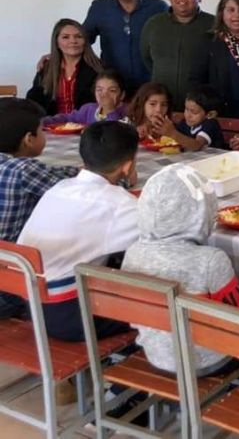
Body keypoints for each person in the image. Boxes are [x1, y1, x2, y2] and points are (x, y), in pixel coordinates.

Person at [122, 164, 239, 375]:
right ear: (205, 211)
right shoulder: (211, 260)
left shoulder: (132, 253)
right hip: (210, 361)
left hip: (156, 356)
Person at [17, 121, 139, 341]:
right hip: (70, 315)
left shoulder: (60, 187)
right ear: (128, 166)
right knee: (156, 296)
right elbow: (162, 234)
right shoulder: (120, 205)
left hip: (31, 304)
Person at [0, 98, 79, 244]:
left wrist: (75, 171)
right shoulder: (23, 169)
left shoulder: (15, 166)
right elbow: (81, 192)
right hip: (12, 258)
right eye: (41, 130)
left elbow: (48, 171)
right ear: (29, 139)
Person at [82, 0, 168, 93]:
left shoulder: (159, 7)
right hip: (112, 86)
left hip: (151, 84)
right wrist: (56, 54)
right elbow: (82, 40)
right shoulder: (100, 8)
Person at [140, 0, 214, 111]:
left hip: (199, 109)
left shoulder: (213, 26)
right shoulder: (154, 24)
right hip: (161, 107)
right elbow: (147, 59)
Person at [27, 18, 102, 116]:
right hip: (51, 126)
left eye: (78, 37)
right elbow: (33, 101)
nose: (73, 41)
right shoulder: (46, 68)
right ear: (57, 43)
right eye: (66, 37)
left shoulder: (98, 69)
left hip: (86, 126)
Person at [42, 69, 127, 126]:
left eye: (112, 91)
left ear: (122, 95)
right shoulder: (89, 109)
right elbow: (68, 118)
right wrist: (44, 121)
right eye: (99, 90)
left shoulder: (128, 111)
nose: (104, 95)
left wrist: (110, 110)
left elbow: (117, 133)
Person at [151, 87, 226, 151]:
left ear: (210, 114)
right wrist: (153, 131)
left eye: (194, 112)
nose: (188, 115)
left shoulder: (210, 124)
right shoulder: (186, 123)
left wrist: (172, 133)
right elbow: (172, 135)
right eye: (186, 109)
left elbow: (197, 145)